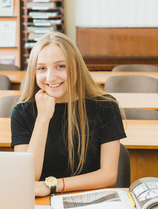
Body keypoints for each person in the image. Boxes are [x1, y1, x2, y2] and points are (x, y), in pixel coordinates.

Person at [11, 32, 126, 196]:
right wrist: (43, 117)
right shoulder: (22, 112)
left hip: (90, 198)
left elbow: (108, 175)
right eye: (42, 68)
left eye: (60, 66)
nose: (50, 77)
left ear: (76, 67)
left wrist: (52, 186)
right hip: (40, 203)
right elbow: (27, 177)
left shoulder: (105, 107)